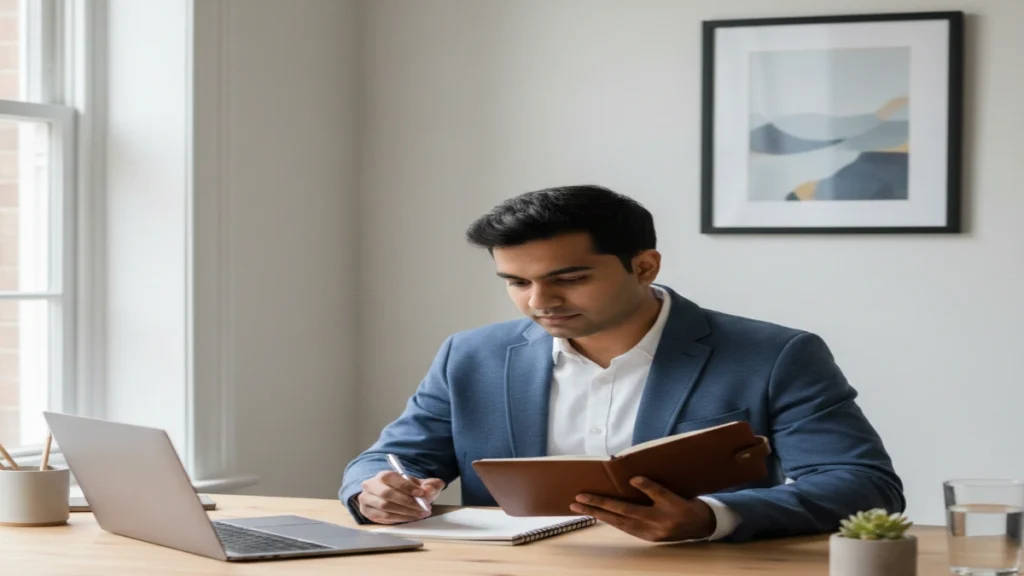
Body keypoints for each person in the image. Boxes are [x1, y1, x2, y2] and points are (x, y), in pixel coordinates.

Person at [339, 185, 904, 542]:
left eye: (569, 278)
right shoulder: (472, 355)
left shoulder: (776, 354)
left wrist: (710, 517)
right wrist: (375, 491)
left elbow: (862, 484)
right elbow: (390, 458)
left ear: (644, 266)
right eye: (517, 282)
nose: (540, 302)